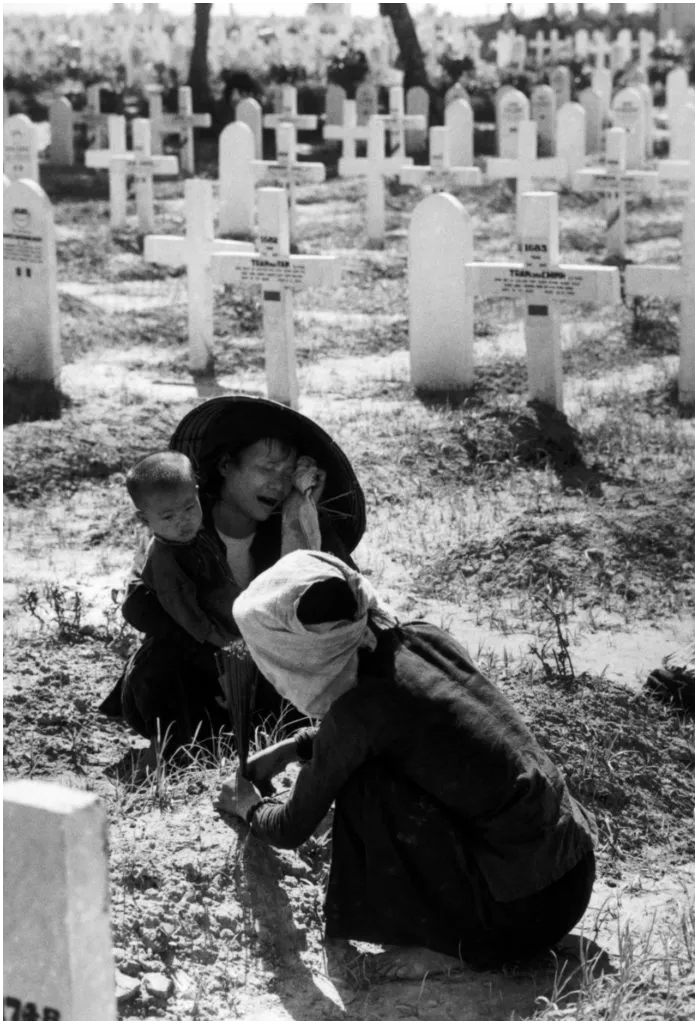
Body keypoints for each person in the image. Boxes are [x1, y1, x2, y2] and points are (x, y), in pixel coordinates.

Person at [217, 550, 598, 978]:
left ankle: (452, 948)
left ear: (295, 652)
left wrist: (247, 804)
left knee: (365, 784)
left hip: (520, 917)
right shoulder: (419, 636)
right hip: (573, 875)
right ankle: (462, 926)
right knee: (379, 767)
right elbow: (415, 721)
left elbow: (288, 828)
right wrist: (294, 748)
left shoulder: (355, 716)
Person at [99, 396, 366, 757]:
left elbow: (347, 605)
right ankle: (182, 747)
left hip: (267, 681)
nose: (278, 483)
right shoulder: (182, 525)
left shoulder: (296, 523)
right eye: (268, 468)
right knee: (167, 656)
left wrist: (303, 513)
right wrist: (224, 643)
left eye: (288, 473)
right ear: (226, 465)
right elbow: (139, 607)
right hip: (194, 678)